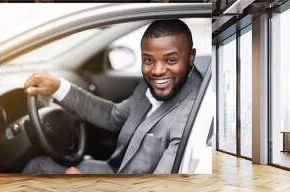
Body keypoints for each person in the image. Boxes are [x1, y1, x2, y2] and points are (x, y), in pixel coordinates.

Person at [23, 19, 202, 174]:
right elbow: (111, 116)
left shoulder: (191, 116)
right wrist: (58, 87)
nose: (157, 71)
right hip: (115, 170)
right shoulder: (150, 85)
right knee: (36, 166)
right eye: (148, 60)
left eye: (171, 60)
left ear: (191, 57)